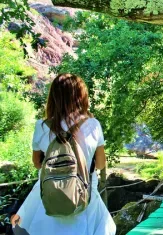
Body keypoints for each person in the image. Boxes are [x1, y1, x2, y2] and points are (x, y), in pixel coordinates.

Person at [11, 73, 116, 235]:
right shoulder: (93, 125)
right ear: (81, 97)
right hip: (84, 196)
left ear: (54, 97)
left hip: (50, 194)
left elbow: (37, 163)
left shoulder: (42, 126)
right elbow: (101, 164)